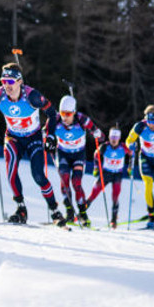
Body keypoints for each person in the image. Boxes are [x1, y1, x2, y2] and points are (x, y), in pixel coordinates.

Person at [0, 63, 67, 226]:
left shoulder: (33, 97)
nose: (6, 85)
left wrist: (51, 137)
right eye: (3, 81)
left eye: (10, 82)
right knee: (10, 173)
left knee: (38, 174)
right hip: (13, 138)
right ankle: (21, 208)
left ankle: (54, 210)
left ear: (19, 82)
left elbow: (52, 114)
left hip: (33, 137)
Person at [49, 94, 102, 226]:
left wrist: (97, 134)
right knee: (64, 181)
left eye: (68, 113)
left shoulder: (81, 119)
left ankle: (83, 214)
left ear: (73, 112)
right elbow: (45, 131)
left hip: (78, 154)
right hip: (62, 153)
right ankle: (69, 212)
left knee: (76, 183)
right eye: (62, 113)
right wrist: (45, 136)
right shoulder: (55, 119)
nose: (65, 117)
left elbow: (100, 135)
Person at [86, 127, 128, 228]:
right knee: (94, 193)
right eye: (112, 137)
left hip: (117, 175)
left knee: (115, 196)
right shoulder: (105, 147)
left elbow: (132, 154)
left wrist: (130, 167)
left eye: (116, 137)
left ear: (119, 138)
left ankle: (113, 220)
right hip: (106, 173)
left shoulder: (123, 147)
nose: (114, 140)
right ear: (109, 137)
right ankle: (81, 213)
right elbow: (96, 155)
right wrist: (96, 168)